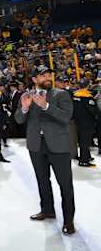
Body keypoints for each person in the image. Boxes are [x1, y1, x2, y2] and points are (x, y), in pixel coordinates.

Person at [14, 65, 76, 235]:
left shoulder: (61, 94)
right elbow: (19, 119)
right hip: (36, 146)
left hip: (59, 146)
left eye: (49, 74)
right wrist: (25, 108)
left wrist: (47, 106)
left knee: (65, 185)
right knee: (42, 180)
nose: (47, 77)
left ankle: (69, 220)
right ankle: (47, 210)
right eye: (43, 75)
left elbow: (67, 116)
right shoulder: (27, 96)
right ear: (34, 80)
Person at [72, 80, 99, 167]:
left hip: (78, 121)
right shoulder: (88, 97)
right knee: (85, 141)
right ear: (87, 86)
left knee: (82, 140)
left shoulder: (74, 95)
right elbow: (94, 111)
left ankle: (87, 156)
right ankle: (84, 161)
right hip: (87, 122)